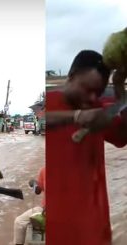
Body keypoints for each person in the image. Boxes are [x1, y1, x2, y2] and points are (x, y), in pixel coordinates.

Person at [46, 50, 127, 245]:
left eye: (97, 92)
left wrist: (119, 87)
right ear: (71, 76)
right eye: (87, 88)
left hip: (95, 228)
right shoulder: (49, 102)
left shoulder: (97, 110)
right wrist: (76, 116)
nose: (92, 97)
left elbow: (123, 136)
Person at [13, 166, 45, 245]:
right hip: (43, 210)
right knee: (19, 222)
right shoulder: (44, 170)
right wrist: (34, 184)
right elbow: (38, 191)